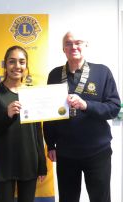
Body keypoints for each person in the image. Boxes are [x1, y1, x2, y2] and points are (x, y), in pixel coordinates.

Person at [43, 31, 121, 202]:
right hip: (65, 153)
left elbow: (114, 108)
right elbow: (49, 114)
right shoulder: (55, 74)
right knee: (68, 199)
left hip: (97, 152)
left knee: (100, 199)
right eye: (69, 43)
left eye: (78, 42)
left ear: (86, 45)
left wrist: (86, 105)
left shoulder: (102, 72)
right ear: (63, 48)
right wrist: (50, 144)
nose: (73, 47)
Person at [0, 45, 47, 202]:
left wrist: (42, 164)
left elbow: (38, 132)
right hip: (3, 162)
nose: (17, 66)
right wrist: (7, 115)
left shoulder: (33, 93)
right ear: (5, 64)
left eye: (21, 62)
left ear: (26, 66)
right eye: (12, 61)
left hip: (29, 161)